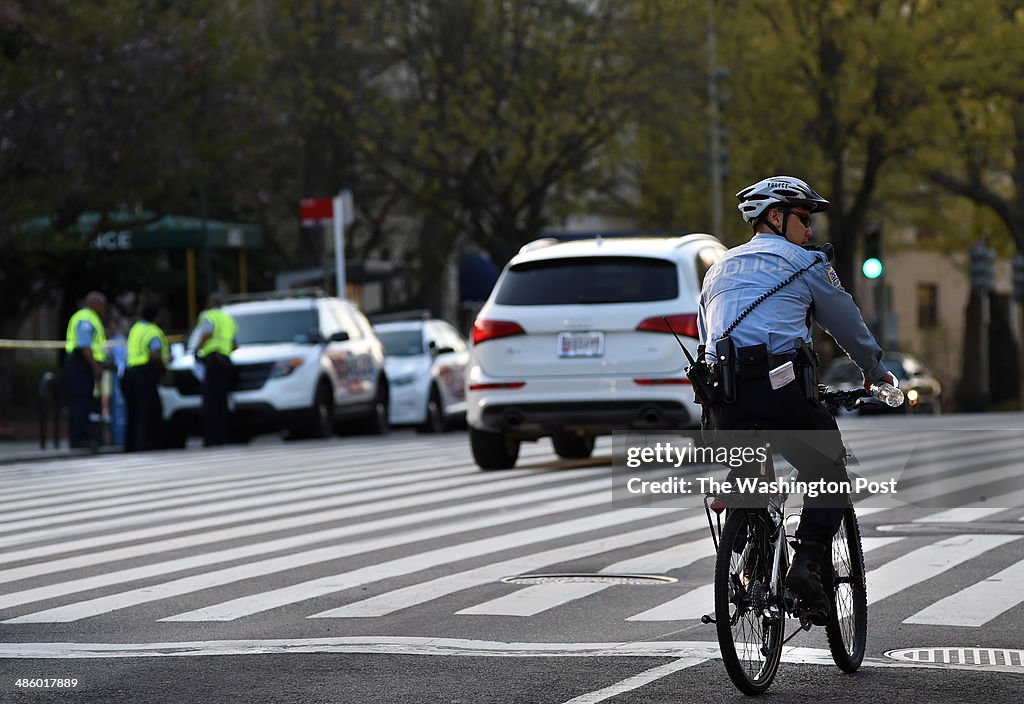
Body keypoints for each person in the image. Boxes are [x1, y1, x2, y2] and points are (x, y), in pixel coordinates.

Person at [697, 176, 898, 625]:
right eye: (803, 219)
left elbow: (707, 337)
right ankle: (807, 563)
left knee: (751, 467)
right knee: (828, 469)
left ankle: (752, 552)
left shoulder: (716, 270)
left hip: (721, 400)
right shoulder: (805, 263)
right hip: (781, 389)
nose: (809, 231)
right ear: (775, 217)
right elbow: (846, 324)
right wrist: (875, 370)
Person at [64, 291, 108, 449]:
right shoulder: (85, 318)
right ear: (94, 304)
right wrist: (95, 366)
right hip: (80, 365)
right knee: (80, 403)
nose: (104, 309)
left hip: (82, 365)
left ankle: (83, 437)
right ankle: (79, 438)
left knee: (84, 402)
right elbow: (84, 345)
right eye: (102, 305)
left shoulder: (89, 318)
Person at [122, 304, 168, 452]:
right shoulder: (153, 331)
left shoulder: (136, 328)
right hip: (144, 374)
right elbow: (155, 354)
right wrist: (163, 369)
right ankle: (146, 443)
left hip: (129, 373)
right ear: (156, 317)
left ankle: (131, 445)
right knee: (148, 410)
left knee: (133, 411)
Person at [194, 292, 237, 446]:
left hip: (212, 361)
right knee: (222, 401)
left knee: (210, 402)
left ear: (210, 303)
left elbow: (207, 333)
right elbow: (235, 344)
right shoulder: (228, 319)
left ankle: (211, 438)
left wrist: (196, 348)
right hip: (225, 361)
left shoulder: (209, 316)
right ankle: (223, 437)